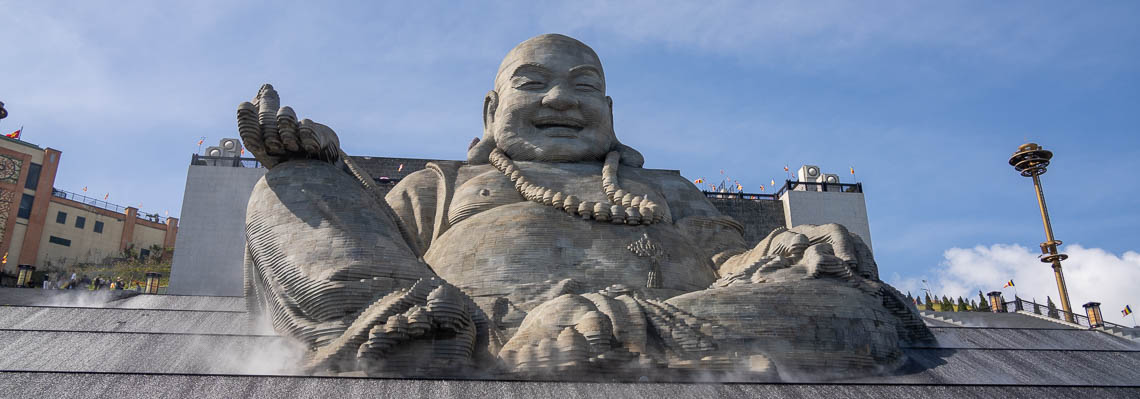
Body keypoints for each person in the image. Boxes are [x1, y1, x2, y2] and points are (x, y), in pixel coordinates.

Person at [239, 34, 929, 377]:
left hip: (667, 320)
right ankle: (422, 331)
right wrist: (314, 166)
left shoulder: (668, 190)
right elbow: (364, 237)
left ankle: (601, 331)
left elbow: (735, 263)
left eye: (583, 86)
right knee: (288, 190)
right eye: (532, 83)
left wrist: (789, 245)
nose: (560, 100)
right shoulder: (439, 186)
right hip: (456, 315)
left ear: (609, 108)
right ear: (490, 109)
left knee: (849, 298)